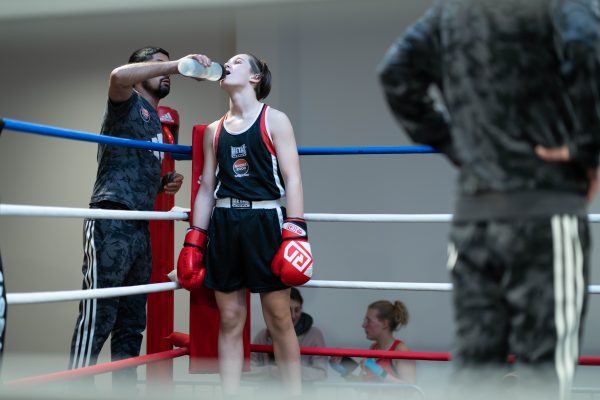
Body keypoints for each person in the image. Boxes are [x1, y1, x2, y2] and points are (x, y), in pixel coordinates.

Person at [378, 1, 600, 399]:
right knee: (544, 372)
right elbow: (589, 44)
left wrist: (458, 147)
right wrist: (586, 148)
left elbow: (396, 71)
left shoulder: (452, 10)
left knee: (475, 370)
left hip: (474, 218)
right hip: (543, 209)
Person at [68, 47, 212, 388]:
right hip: (110, 219)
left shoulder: (156, 125)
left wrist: (163, 184)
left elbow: (129, 166)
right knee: (99, 315)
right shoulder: (126, 102)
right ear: (141, 69)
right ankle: (72, 389)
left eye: (167, 66)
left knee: (132, 320)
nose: (166, 73)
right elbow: (117, 77)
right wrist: (179, 65)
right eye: (158, 65)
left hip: (139, 224)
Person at [176, 53, 313, 396]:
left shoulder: (275, 120)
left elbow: (293, 180)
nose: (227, 64)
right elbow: (207, 187)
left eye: (237, 61)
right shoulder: (213, 130)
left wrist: (295, 231)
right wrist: (195, 239)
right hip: (224, 223)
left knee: (279, 317)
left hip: (266, 220)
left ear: (254, 77)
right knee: (231, 319)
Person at [251, 287, 328, 382]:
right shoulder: (263, 334)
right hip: (269, 391)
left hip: (305, 393)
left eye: (297, 310)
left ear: (301, 309)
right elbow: (249, 369)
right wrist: (272, 370)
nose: (293, 315)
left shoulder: (314, 334)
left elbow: (321, 373)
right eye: (288, 310)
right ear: (279, 310)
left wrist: (286, 370)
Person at [331, 300, 416, 384]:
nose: (363, 325)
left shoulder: (400, 350)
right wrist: (344, 372)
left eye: (369, 321)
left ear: (385, 324)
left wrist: (380, 372)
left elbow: (410, 389)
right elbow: (366, 386)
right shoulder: (373, 348)